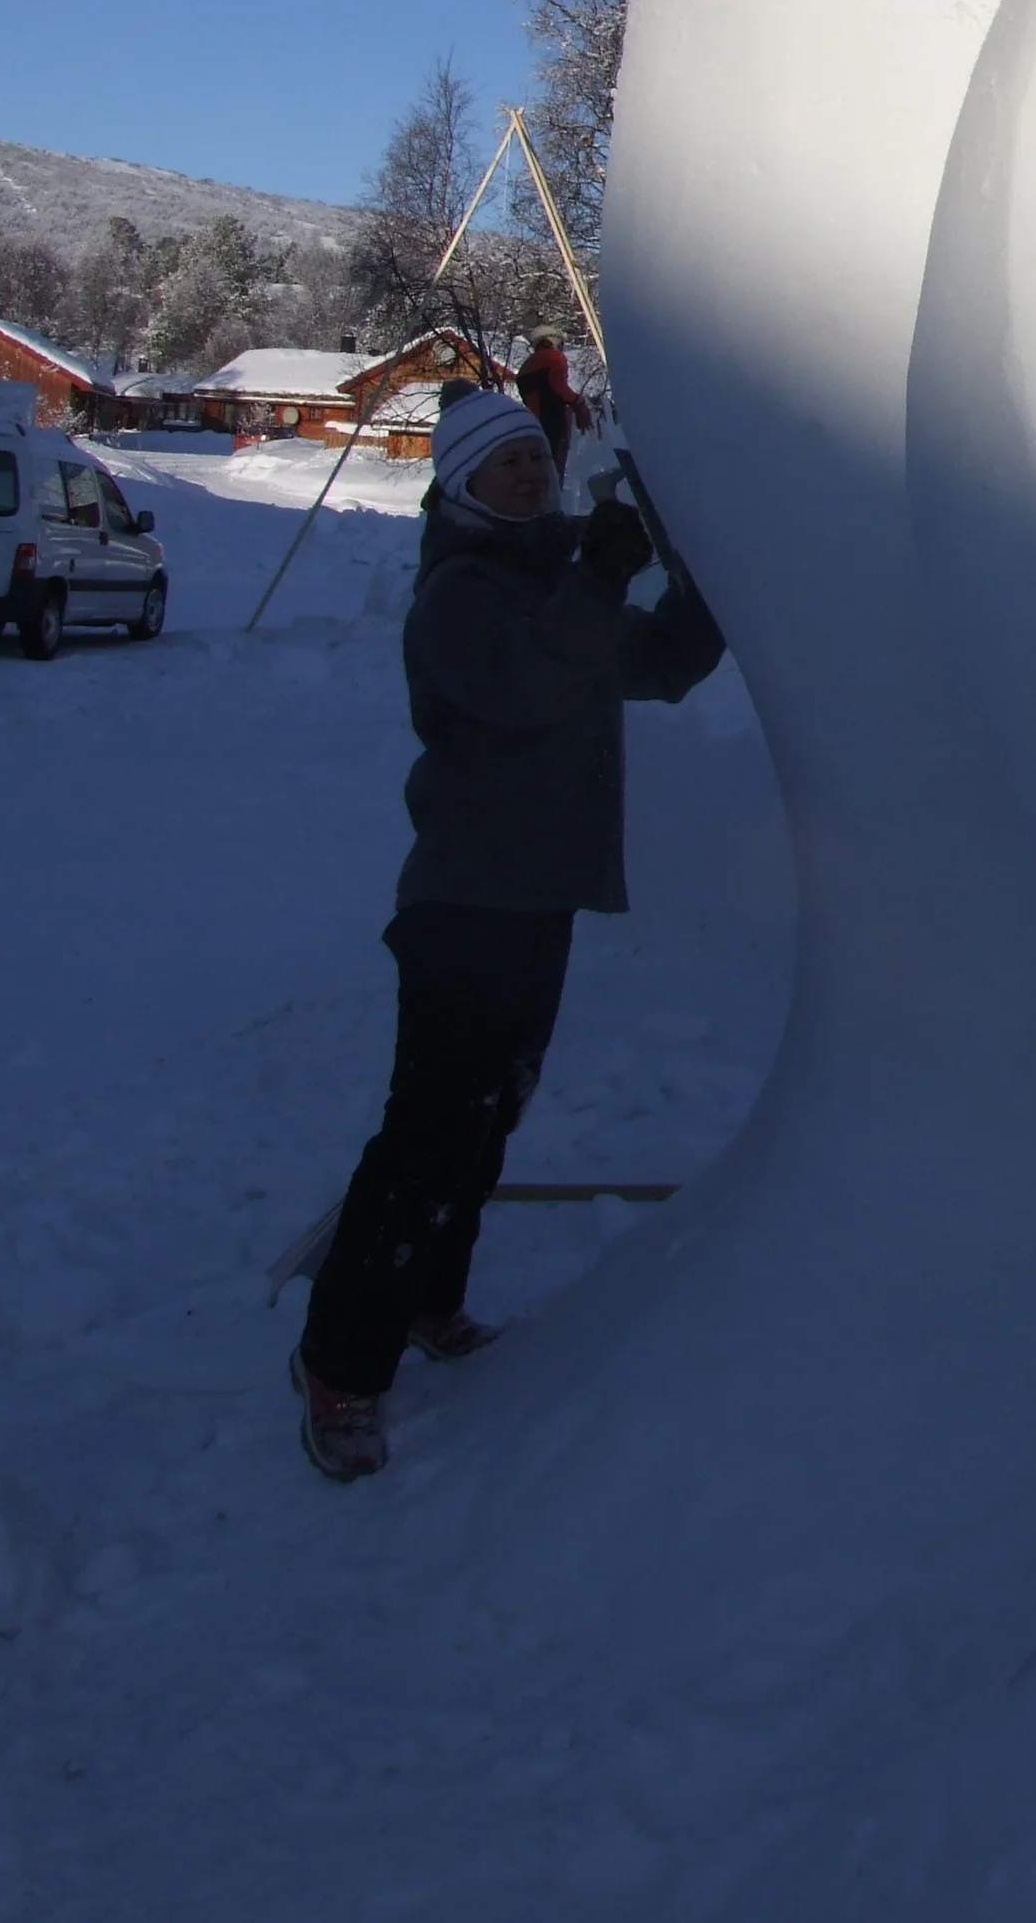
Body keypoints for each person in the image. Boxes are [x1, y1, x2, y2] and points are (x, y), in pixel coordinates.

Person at [291, 382, 723, 1481]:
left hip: (533, 902)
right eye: (506, 465)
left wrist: (711, 570)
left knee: (489, 1118)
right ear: (460, 483)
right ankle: (340, 1367)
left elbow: (659, 666)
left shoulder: (545, 577)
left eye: (537, 458)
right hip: (463, 903)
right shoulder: (462, 592)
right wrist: (598, 574)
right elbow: (528, 686)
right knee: (430, 1130)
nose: (529, 476)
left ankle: (430, 1299)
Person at [515, 329, 594, 481]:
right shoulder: (554, 357)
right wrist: (578, 402)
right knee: (555, 463)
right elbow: (559, 386)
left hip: (533, 422)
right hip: (553, 418)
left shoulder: (525, 367)